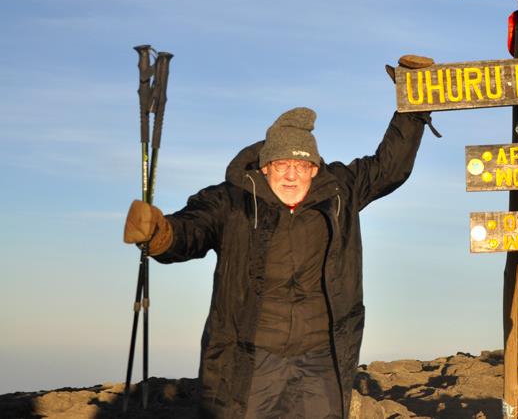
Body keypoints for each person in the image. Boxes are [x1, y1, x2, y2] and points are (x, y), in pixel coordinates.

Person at [123, 56, 436, 418]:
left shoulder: (339, 192)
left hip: (321, 358)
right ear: (266, 167)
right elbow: (193, 227)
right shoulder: (233, 200)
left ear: (314, 168)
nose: (291, 176)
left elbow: (389, 166)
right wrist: (161, 233)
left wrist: (413, 102)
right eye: (282, 166)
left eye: (301, 166)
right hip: (252, 357)